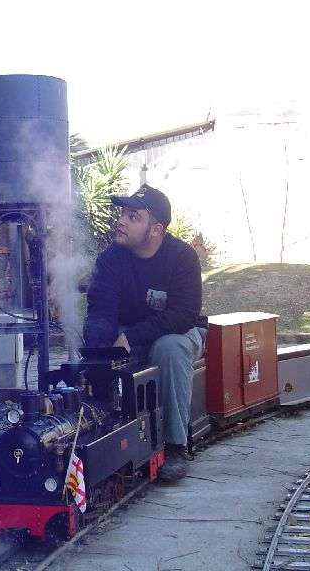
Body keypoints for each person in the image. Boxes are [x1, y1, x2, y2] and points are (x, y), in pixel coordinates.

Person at [83, 184, 207, 482]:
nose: (121, 220)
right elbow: (101, 312)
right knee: (96, 347)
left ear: (156, 230)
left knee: (169, 349)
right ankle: (103, 428)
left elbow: (184, 314)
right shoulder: (110, 259)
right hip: (129, 331)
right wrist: (100, 352)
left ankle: (176, 445)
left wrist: (132, 337)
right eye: (123, 213)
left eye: (133, 216)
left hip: (181, 331)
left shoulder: (182, 257)